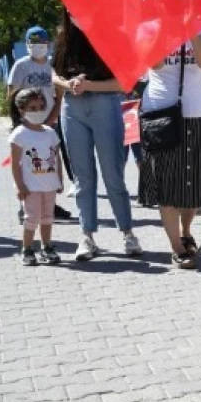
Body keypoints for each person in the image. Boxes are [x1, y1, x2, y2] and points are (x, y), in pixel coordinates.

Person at [52, 14, 142, 261]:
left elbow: (124, 82)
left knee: (113, 172)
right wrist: (67, 83)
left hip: (105, 103)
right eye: (69, 9)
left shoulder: (112, 35)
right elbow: (53, 75)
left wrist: (88, 85)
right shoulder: (64, 37)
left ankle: (127, 233)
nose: (74, 13)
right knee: (82, 176)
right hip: (72, 107)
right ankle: (87, 236)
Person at [138, 30, 201, 269]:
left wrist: (191, 29)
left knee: (193, 178)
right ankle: (176, 246)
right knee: (166, 179)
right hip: (161, 112)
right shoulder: (152, 27)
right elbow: (154, 63)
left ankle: (186, 232)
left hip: (197, 112)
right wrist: (168, 29)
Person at [8, 26, 76, 215]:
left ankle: (49, 204)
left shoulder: (53, 66)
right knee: (27, 164)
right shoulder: (21, 66)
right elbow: (12, 95)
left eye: (41, 43)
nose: (37, 47)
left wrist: (49, 121)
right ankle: (25, 205)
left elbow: (59, 95)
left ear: (48, 44)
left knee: (48, 163)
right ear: (27, 45)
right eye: (33, 43)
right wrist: (21, 121)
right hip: (26, 122)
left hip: (50, 121)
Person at [7, 88, 63, 266]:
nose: (37, 111)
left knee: (47, 217)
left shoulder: (50, 132)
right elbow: (15, 163)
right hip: (31, 186)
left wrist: (60, 180)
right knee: (31, 218)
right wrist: (19, 185)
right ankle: (27, 248)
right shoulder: (19, 134)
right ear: (22, 110)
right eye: (32, 108)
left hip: (49, 184)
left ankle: (46, 247)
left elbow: (57, 158)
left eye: (40, 107)